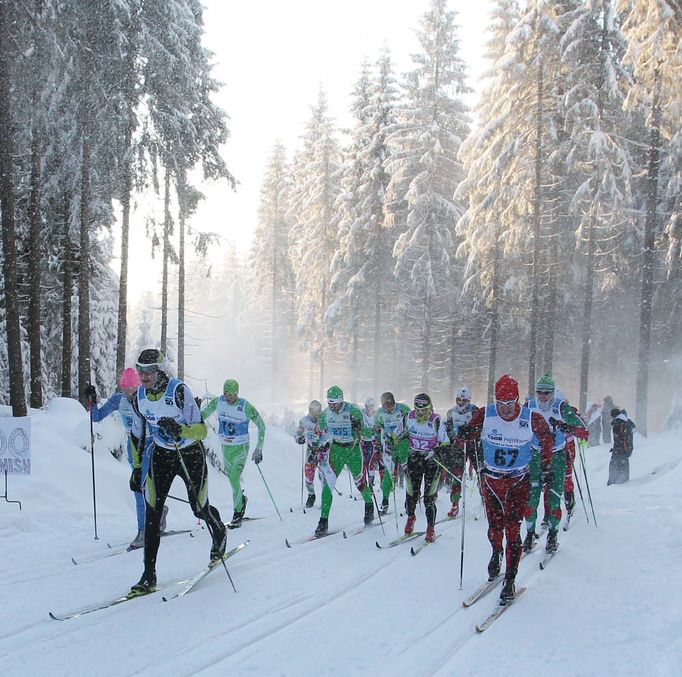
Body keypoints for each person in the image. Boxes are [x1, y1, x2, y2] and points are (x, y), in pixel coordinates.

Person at [128, 348, 227, 594]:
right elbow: (137, 434)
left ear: (161, 371)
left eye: (150, 371)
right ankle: (148, 575)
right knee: (153, 513)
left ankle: (219, 531)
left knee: (198, 507)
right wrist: (137, 468)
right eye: (141, 371)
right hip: (162, 455)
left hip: (189, 454)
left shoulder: (178, 391)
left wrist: (180, 430)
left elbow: (201, 431)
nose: (144, 376)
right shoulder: (139, 396)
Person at [460, 374, 554, 604]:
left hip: (518, 481)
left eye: (509, 404)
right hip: (491, 481)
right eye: (501, 404)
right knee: (494, 527)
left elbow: (547, 440)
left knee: (513, 529)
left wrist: (546, 466)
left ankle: (510, 580)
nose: (505, 410)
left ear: (518, 400)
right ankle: (496, 552)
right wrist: (463, 437)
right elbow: (468, 435)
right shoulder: (486, 414)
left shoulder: (531, 418)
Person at [84, 368, 168, 550]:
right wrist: (92, 401)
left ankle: (144, 529)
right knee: (143, 487)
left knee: (140, 488)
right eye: (124, 390)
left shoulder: (146, 398)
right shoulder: (118, 399)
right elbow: (96, 417)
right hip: (133, 446)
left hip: (149, 445)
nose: (128, 394)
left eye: (131, 390)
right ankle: (158, 515)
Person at [524, 375, 587, 554]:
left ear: (553, 393)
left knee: (553, 498)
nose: (543, 396)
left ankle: (552, 535)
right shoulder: (529, 406)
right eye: (540, 392)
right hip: (535, 455)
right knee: (532, 497)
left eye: (547, 392)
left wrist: (568, 427)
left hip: (557, 455)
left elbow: (584, 430)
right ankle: (529, 534)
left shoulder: (560, 407)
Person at [201, 379, 266, 528]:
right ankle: (241, 500)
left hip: (240, 448)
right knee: (232, 479)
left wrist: (259, 448)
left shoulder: (245, 406)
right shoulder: (218, 402)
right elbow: (203, 414)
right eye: (225, 393)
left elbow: (261, 426)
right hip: (225, 447)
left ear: (236, 393)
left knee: (234, 479)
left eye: (230, 394)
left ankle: (237, 514)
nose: (227, 397)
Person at [314, 386, 371, 537]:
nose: (332, 406)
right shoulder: (326, 414)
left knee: (360, 484)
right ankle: (323, 521)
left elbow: (367, 433)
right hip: (336, 450)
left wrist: (358, 427)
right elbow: (318, 432)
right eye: (330, 403)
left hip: (353, 451)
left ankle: (369, 504)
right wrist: (314, 446)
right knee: (327, 486)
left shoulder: (354, 411)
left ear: (342, 401)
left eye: (336, 403)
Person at [395, 393, 450, 543]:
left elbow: (445, 443)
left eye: (424, 410)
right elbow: (395, 436)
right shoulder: (408, 417)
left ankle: (430, 527)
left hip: (431, 461)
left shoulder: (435, 420)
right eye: (418, 410)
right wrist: (396, 440)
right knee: (411, 493)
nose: (421, 413)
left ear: (430, 408)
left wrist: (436, 452)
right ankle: (410, 517)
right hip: (415, 458)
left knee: (429, 497)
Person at [444, 386, 479, 518]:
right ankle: (454, 504)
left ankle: (484, 497)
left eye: (464, 400)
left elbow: (479, 427)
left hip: (473, 445)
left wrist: (470, 432)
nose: (461, 402)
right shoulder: (451, 412)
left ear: (469, 400)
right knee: (456, 474)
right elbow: (447, 429)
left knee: (480, 471)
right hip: (458, 446)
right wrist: (452, 435)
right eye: (459, 399)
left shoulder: (475, 411)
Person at [374, 392, 410, 511]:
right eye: (385, 406)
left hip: (404, 443)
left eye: (390, 406)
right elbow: (377, 430)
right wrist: (378, 443)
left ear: (394, 403)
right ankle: (385, 501)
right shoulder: (379, 413)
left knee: (408, 472)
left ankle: (409, 499)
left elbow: (411, 426)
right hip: (390, 445)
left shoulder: (403, 409)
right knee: (389, 473)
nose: (388, 409)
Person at [294, 400, 323, 508]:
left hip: (322, 450)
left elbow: (330, 434)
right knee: (309, 477)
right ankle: (311, 495)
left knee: (323, 476)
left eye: (318, 411)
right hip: (310, 451)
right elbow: (297, 433)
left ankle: (325, 498)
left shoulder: (323, 420)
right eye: (314, 411)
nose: (317, 414)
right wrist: (299, 438)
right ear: (310, 410)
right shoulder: (304, 421)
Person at [360, 397, 383, 510]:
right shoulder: (362, 414)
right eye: (368, 406)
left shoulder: (377, 415)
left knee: (371, 463)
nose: (370, 408)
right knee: (363, 463)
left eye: (371, 406)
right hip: (363, 441)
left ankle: (371, 484)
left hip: (373, 442)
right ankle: (364, 483)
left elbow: (379, 428)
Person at [608, 408, 635, 485]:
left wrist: (617, 448)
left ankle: (614, 483)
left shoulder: (618, 423)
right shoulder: (626, 422)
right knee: (623, 468)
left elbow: (619, 439)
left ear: (613, 416)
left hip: (620, 450)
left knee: (615, 467)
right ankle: (622, 481)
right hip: (624, 450)